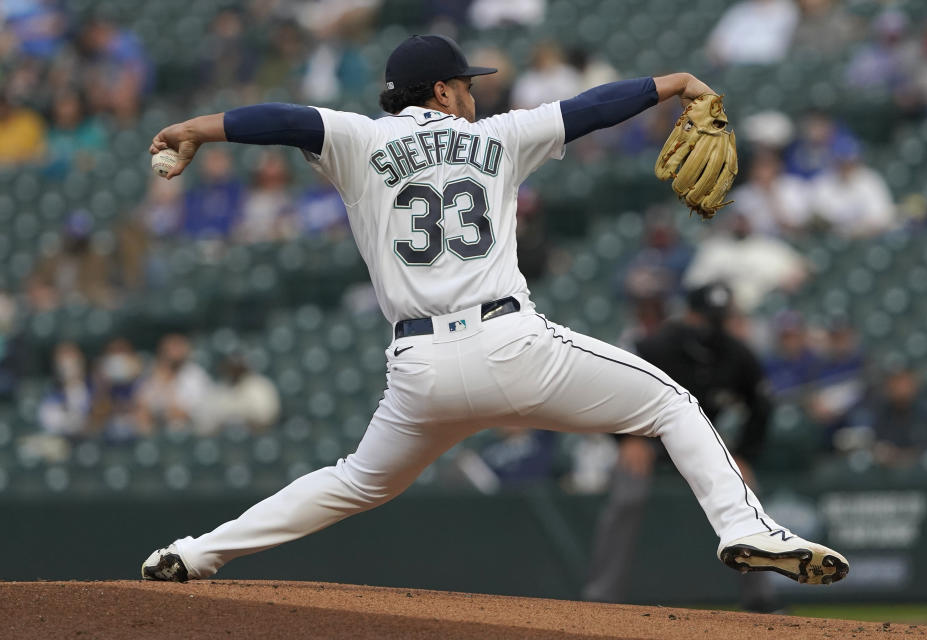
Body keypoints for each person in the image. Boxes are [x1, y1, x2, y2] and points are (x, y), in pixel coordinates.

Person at [141, 34, 848, 586]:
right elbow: (594, 107)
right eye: (467, 85)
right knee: (670, 404)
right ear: (444, 91)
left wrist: (197, 129)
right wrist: (677, 84)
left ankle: (197, 553)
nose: (474, 96)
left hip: (419, 372)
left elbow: (282, 120)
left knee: (355, 481)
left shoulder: (359, 139)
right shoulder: (497, 139)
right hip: (511, 344)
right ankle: (743, 527)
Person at [583, 283, 779, 612]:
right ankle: (601, 597)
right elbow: (609, 389)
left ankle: (761, 599)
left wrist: (744, 454)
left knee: (746, 495)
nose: (711, 326)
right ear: (688, 314)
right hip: (649, 437)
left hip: (702, 442)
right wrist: (626, 439)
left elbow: (761, 407)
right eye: (705, 318)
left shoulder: (737, 353)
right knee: (626, 497)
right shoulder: (656, 345)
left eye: (719, 318)